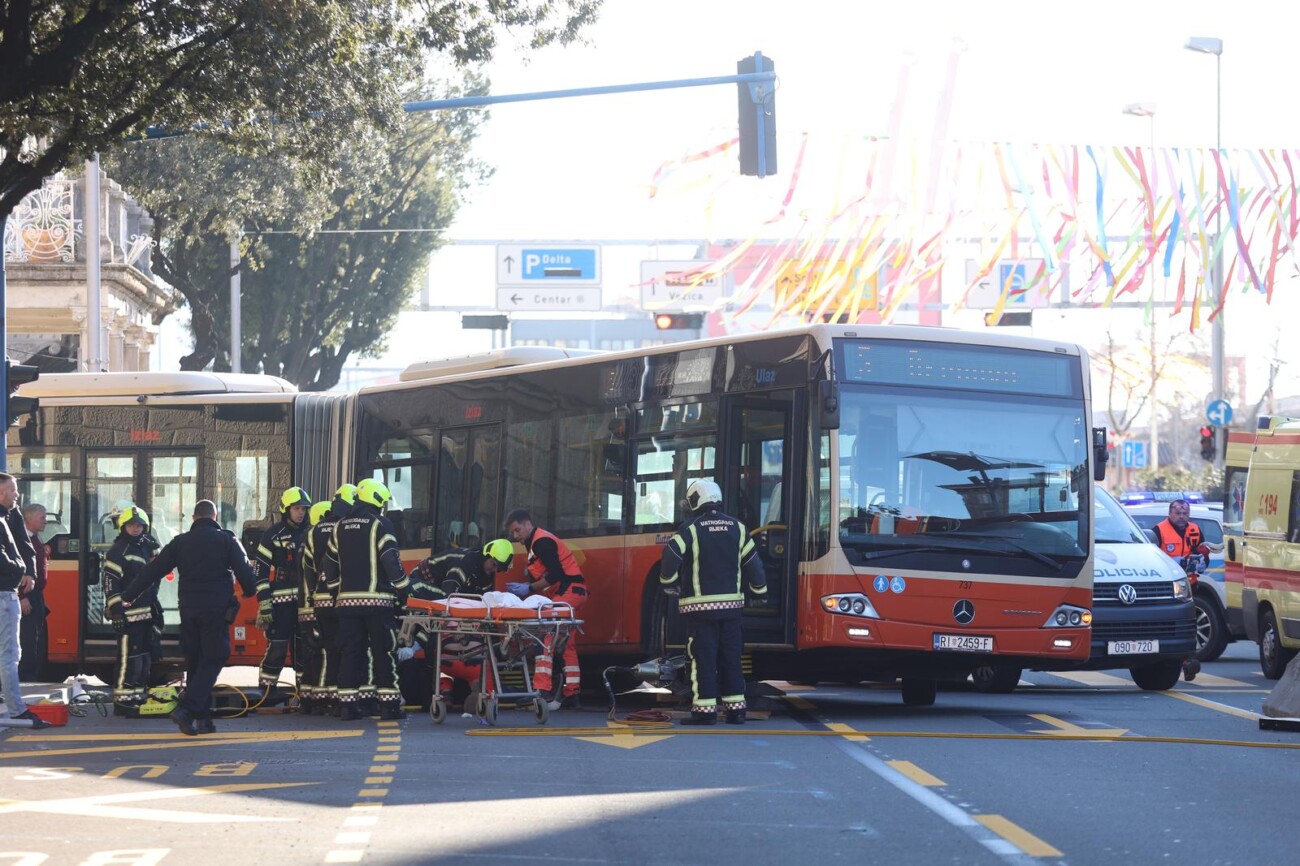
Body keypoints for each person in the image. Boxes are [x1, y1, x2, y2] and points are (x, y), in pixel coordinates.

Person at [123, 499, 257, 736]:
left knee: (196, 662)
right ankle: (186, 709)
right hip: (215, 610)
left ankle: (203, 720)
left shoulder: (180, 542)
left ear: (194, 519)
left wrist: (129, 595)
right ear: (214, 517)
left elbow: (153, 571)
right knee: (216, 655)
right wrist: (249, 590)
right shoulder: (227, 539)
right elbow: (245, 570)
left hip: (188, 609)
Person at [658, 479, 767, 725]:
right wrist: (759, 592)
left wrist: (669, 583)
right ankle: (736, 710)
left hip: (700, 609)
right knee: (731, 656)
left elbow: (671, 556)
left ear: (696, 500)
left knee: (702, 657)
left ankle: (704, 711)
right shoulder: (738, 528)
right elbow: (754, 565)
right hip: (732, 609)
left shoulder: (691, 528)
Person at [323, 478, 409, 721]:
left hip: (346, 604)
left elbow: (328, 563)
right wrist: (403, 588)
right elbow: (391, 559)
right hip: (377, 603)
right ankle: (389, 706)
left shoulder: (339, 526)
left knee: (351, 652)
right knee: (384, 651)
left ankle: (348, 706)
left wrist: (334, 590)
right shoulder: (380, 524)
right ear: (377, 501)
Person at [404, 538, 515, 706]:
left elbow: (483, 604)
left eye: (498, 568)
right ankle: (420, 653)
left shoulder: (486, 575)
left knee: (449, 623)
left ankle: (447, 687)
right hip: (423, 583)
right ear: (487, 555)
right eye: (493, 564)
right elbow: (449, 597)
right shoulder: (464, 564)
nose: (494, 570)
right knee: (438, 621)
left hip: (443, 590)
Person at [503, 508, 587, 711]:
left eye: (517, 531)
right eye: (513, 533)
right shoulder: (536, 542)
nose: (515, 537)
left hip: (568, 591)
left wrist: (529, 588)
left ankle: (542, 690)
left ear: (527, 524)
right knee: (567, 642)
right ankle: (572, 693)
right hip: (574, 593)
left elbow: (556, 574)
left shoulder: (541, 542)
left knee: (545, 633)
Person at [253, 487, 312, 700]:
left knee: (304, 647)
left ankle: (304, 692)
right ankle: (267, 690)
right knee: (277, 646)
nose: (301, 513)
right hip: (281, 603)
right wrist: (264, 603)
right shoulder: (273, 534)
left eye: (304, 509)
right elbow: (259, 571)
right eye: (297, 508)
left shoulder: (311, 533)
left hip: (306, 603)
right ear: (286, 509)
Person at [0, 473, 47, 727]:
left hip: (8, 591)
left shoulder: (11, 514)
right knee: (9, 654)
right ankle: (17, 710)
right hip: (5, 592)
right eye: (14, 490)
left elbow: (24, 547)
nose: (18, 495)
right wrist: (20, 570)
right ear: (1, 493)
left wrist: (28, 571)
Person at [306, 484, 356, 716]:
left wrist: (311, 598)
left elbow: (307, 568)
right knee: (345, 648)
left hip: (320, 598)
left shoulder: (314, 531)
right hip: (340, 598)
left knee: (327, 649)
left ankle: (323, 696)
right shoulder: (344, 528)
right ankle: (339, 699)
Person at [103, 506, 160, 713]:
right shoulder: (118, 551)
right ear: (123, 526)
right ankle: (122, 701)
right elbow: (110, 583)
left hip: (146, 613)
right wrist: (116, 611)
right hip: (128, 615)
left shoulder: (147, 546)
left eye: (139, 525)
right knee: (128, 659)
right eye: (131, 525)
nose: (136, 528)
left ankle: (137, 697)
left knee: (144, 658)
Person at [1152, 498, 1209, 682]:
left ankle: (1188, 659)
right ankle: (1166, 660)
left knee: (1189, 625)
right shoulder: (1158, 530)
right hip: (1166, 587)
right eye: (1178, 513)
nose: (1182, 516)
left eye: (1185, 513)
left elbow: (1202, 551)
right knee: (1166, 625)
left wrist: (1202, 561)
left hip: (1189, 586)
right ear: (1170, 513)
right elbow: (1152, 557)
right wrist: (1176, 561)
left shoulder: (1195, 529)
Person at [17, 502, 48, 680]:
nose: (45, 521)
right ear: (29, 519)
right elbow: (14, 572)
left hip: (36, 596)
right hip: (26, 597)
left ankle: (30, 675)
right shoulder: (21, 541)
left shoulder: (35, 538)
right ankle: (25, 678)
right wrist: (21, 597)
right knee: (26, 641)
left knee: (35, 639)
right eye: (42, 517)